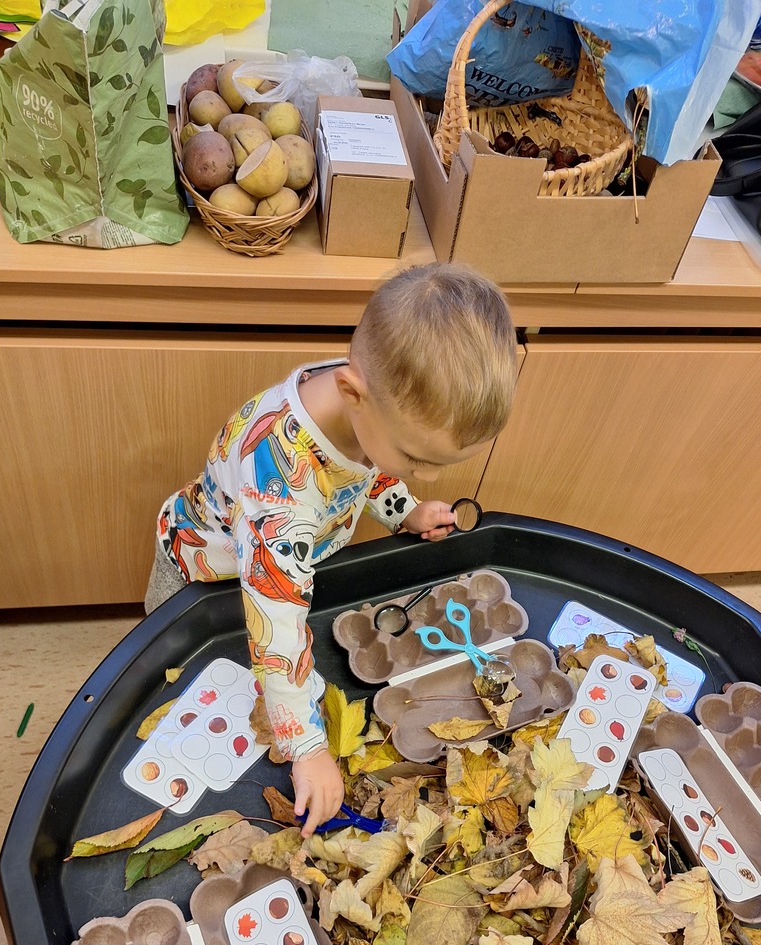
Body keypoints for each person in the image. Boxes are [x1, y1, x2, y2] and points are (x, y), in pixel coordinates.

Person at [145, 262, 518, 834]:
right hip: (199, 576)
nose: (426, 475)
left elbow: (367, 465)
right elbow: (274, 627)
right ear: (352, 393)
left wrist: (404, 509)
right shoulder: (282, 489)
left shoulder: (366, 399)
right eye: (417, 460)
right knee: (172, 685)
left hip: (276, 568)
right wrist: (307, 747)